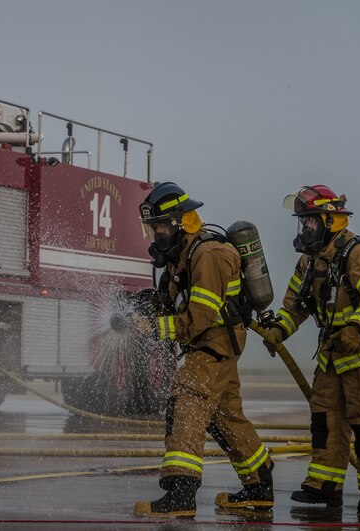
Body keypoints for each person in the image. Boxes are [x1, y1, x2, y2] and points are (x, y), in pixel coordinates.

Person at [132, 181, 274, 518]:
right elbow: (174, 302)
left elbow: (197, 319)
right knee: (226, 417)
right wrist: (142, 306)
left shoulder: (209, 255)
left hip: (213, 346)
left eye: (162, 227)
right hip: (212, 347)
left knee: (186, 404)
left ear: (184, 222)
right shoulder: (181, 257)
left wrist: (152, 328)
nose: (157, 236)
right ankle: (260, 484)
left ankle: (181, 494)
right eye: (154, 229)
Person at [263, 185, 360, 514]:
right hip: (333, 357)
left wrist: (356, 328)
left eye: (310, 222)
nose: (305, 229)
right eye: (303, 223)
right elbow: (295, 305)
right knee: (325, 422)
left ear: (330, 221)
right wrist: (279, 330)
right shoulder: (309, 262)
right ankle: (324, 485)